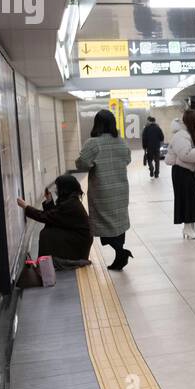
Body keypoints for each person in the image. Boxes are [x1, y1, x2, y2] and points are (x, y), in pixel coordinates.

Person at [76, 109, 133, 270]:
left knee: (105, 225)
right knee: (118, 223)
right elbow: (127, 159)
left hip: (102, 191)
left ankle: (120, 252)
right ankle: (119, 253)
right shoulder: (120, 142)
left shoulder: (93, 143)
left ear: (97, 124)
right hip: (120, 189)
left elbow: (82, 163)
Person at [16, 174, 92, 269]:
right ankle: (45, 262)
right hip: (77, 239)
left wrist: (26, 207)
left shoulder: (71, 205)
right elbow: (55, 218)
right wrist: (49, 201)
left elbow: (47, 217)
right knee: (48, 231)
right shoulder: (71, 200)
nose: (56, 190)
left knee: (47, 234)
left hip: (78, 243)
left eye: (58, 187)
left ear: (65, 188)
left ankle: (45, 264)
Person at [169, 107, 195, 240]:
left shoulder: (188, 134)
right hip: (181, 172)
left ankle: (191, 227)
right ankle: (187, 228)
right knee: (186, 200)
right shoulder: (181, 135)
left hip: (187, 171)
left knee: (192, 200)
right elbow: (185, 155)